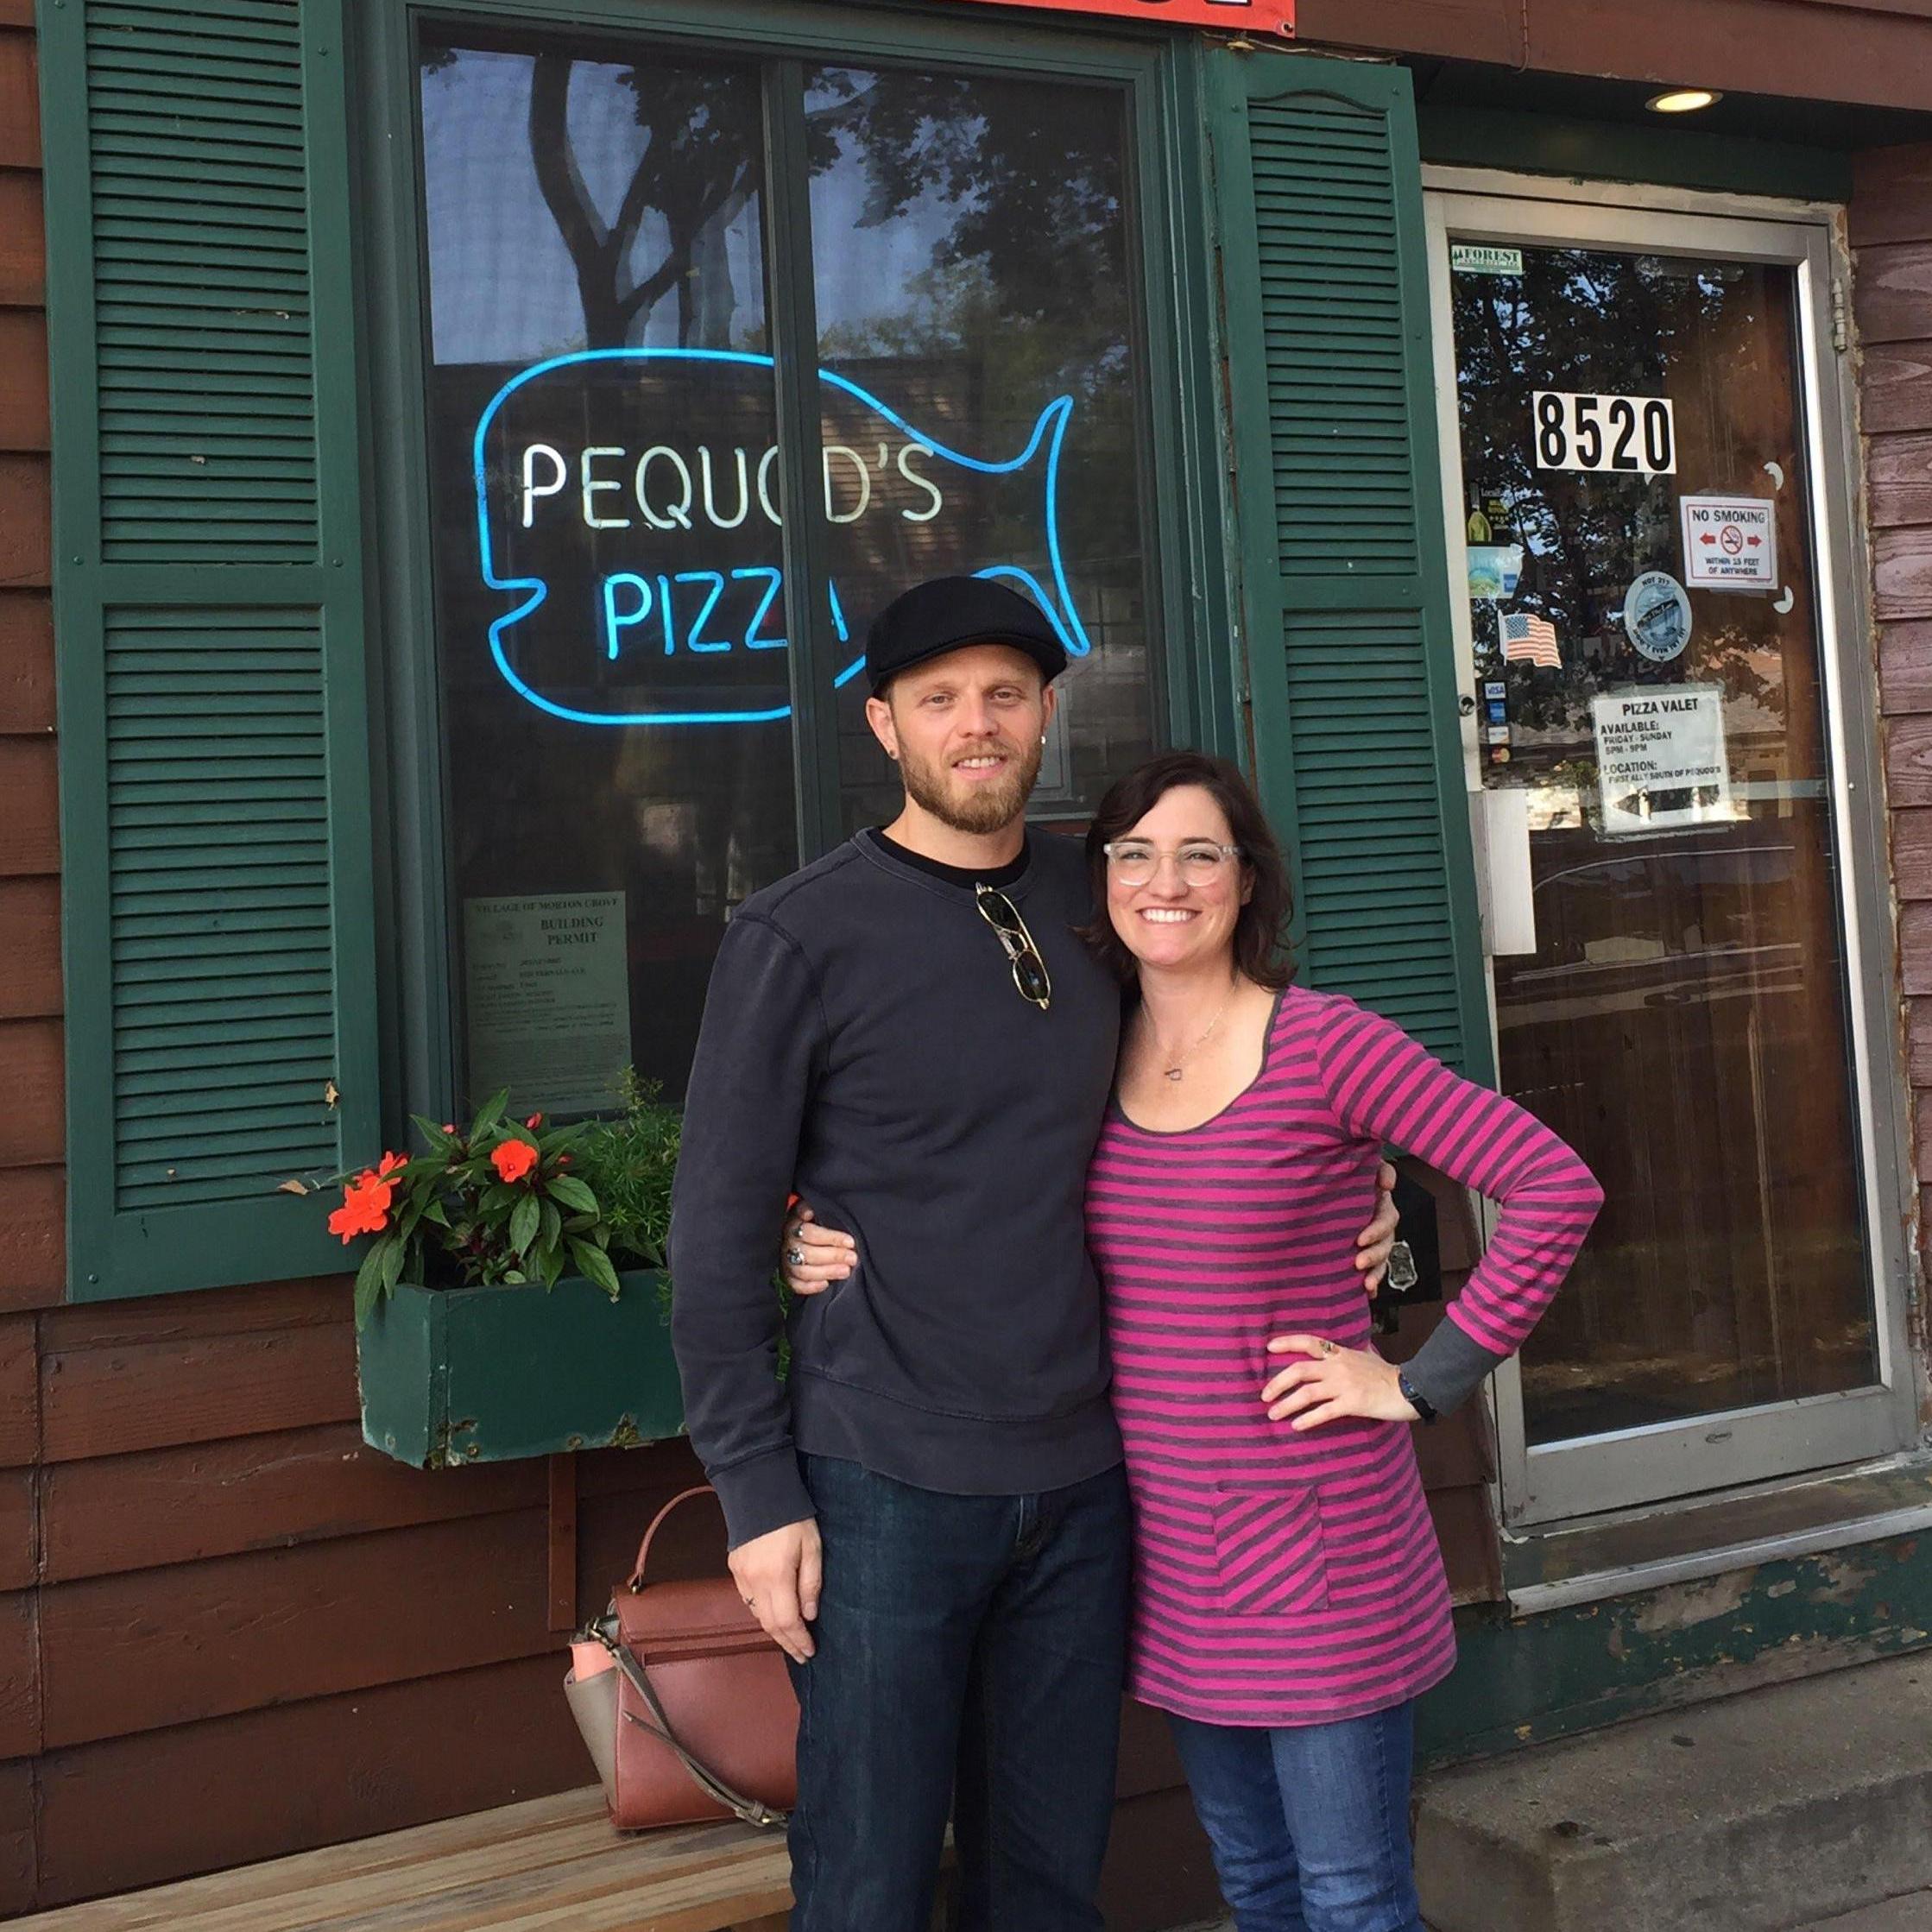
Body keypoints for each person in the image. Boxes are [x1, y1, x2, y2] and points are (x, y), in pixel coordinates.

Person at [668, 578, 1398, 1932]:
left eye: (1004, 693)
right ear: (883, 725)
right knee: (869, 1874)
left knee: (1048, 1874)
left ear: (1047, 714)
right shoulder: (799, 933)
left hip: (1086, 1472)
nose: (976, 723)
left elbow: (1243, 1060)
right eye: (938, 699)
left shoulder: (1110, 892)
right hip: (885, 1477)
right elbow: (711, 1231)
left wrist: (1367, 1189)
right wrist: (756, 1494)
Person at [1081, 749, 1601, 1932]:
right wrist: (820, 1233)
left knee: (1352, 1897)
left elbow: (1550, 1186)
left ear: (1247, 881)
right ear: (1104, 878)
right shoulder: (1084, 1052)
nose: (1164, 879)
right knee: (1256, 1887)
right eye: (1134, 853)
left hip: (1315, 1548)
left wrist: (1418, 1383)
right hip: (1169, 1550)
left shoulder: (1324, 1045)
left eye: (1198, 852)